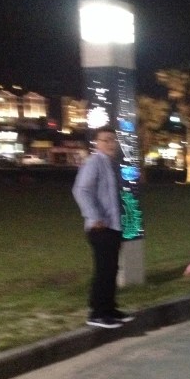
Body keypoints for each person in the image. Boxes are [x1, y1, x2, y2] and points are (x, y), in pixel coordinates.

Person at [72, 126, 134, 329]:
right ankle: (97, 313)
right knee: (104, 270)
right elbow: (81, 190)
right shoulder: (94, 162)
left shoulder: (110, 164)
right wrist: (95, 216)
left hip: (113, 226)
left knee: (111, 269)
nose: (109, 144)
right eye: (105, 140)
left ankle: (109, 309)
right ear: (96, 143)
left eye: (112, 140)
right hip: (100, 227)